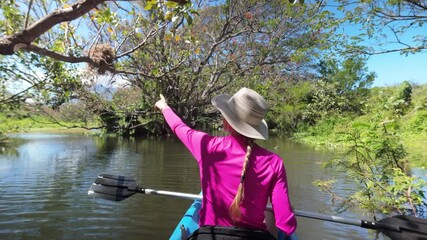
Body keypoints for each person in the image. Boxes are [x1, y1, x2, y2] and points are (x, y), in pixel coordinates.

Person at [155, 87, 297, 239]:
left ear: (226, 122)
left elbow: (179, 127)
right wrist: (287, 213)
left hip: (210, 235)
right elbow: (286, 224)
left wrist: (164, 107)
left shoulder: (206, 146)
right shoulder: (274, 162)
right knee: (270, 215)